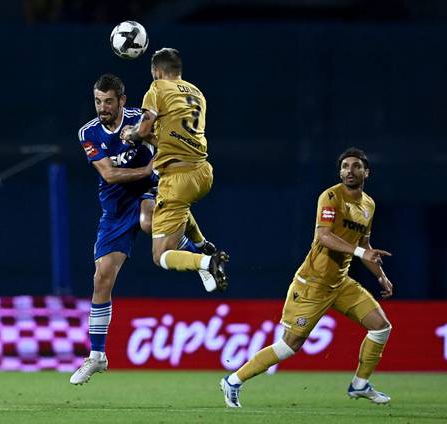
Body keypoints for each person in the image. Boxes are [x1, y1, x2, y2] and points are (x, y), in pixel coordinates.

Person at [70, 74, 220, 385]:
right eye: (98, 101)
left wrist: (152, 150)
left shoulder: (141, 118)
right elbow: (109, 175)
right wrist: (147, 167)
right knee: (102, 278)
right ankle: (97, 356)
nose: (102, 107)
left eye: (108, 101)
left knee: (149, 221)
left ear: (122, 101)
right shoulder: (89, 132)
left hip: (150, 192)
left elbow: (165, 140)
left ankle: (202, 257)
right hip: (114, 208)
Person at [220, 147, 394, 407]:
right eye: (345, 166)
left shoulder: (369, 205)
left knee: (381, 327)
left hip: (341, 283)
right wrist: (360, 252)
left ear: (366, 172)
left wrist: (381, 276)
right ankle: (233, 380)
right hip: (312, 283)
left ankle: (359, 385)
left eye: (356, 166)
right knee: (290, 346)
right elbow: (324, 236)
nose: (349, 170)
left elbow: (366, 247)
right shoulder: (331, 196)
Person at [121, 48, 229, 291]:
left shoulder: (157, 88)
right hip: (203, 172)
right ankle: (201, 244)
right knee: (170, 210)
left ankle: (207, 262)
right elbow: (178, 135)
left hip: (177, 178)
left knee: (160, 255)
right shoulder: (197, 93)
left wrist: (133, 134)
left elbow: (145, 126)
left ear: (156, 71)